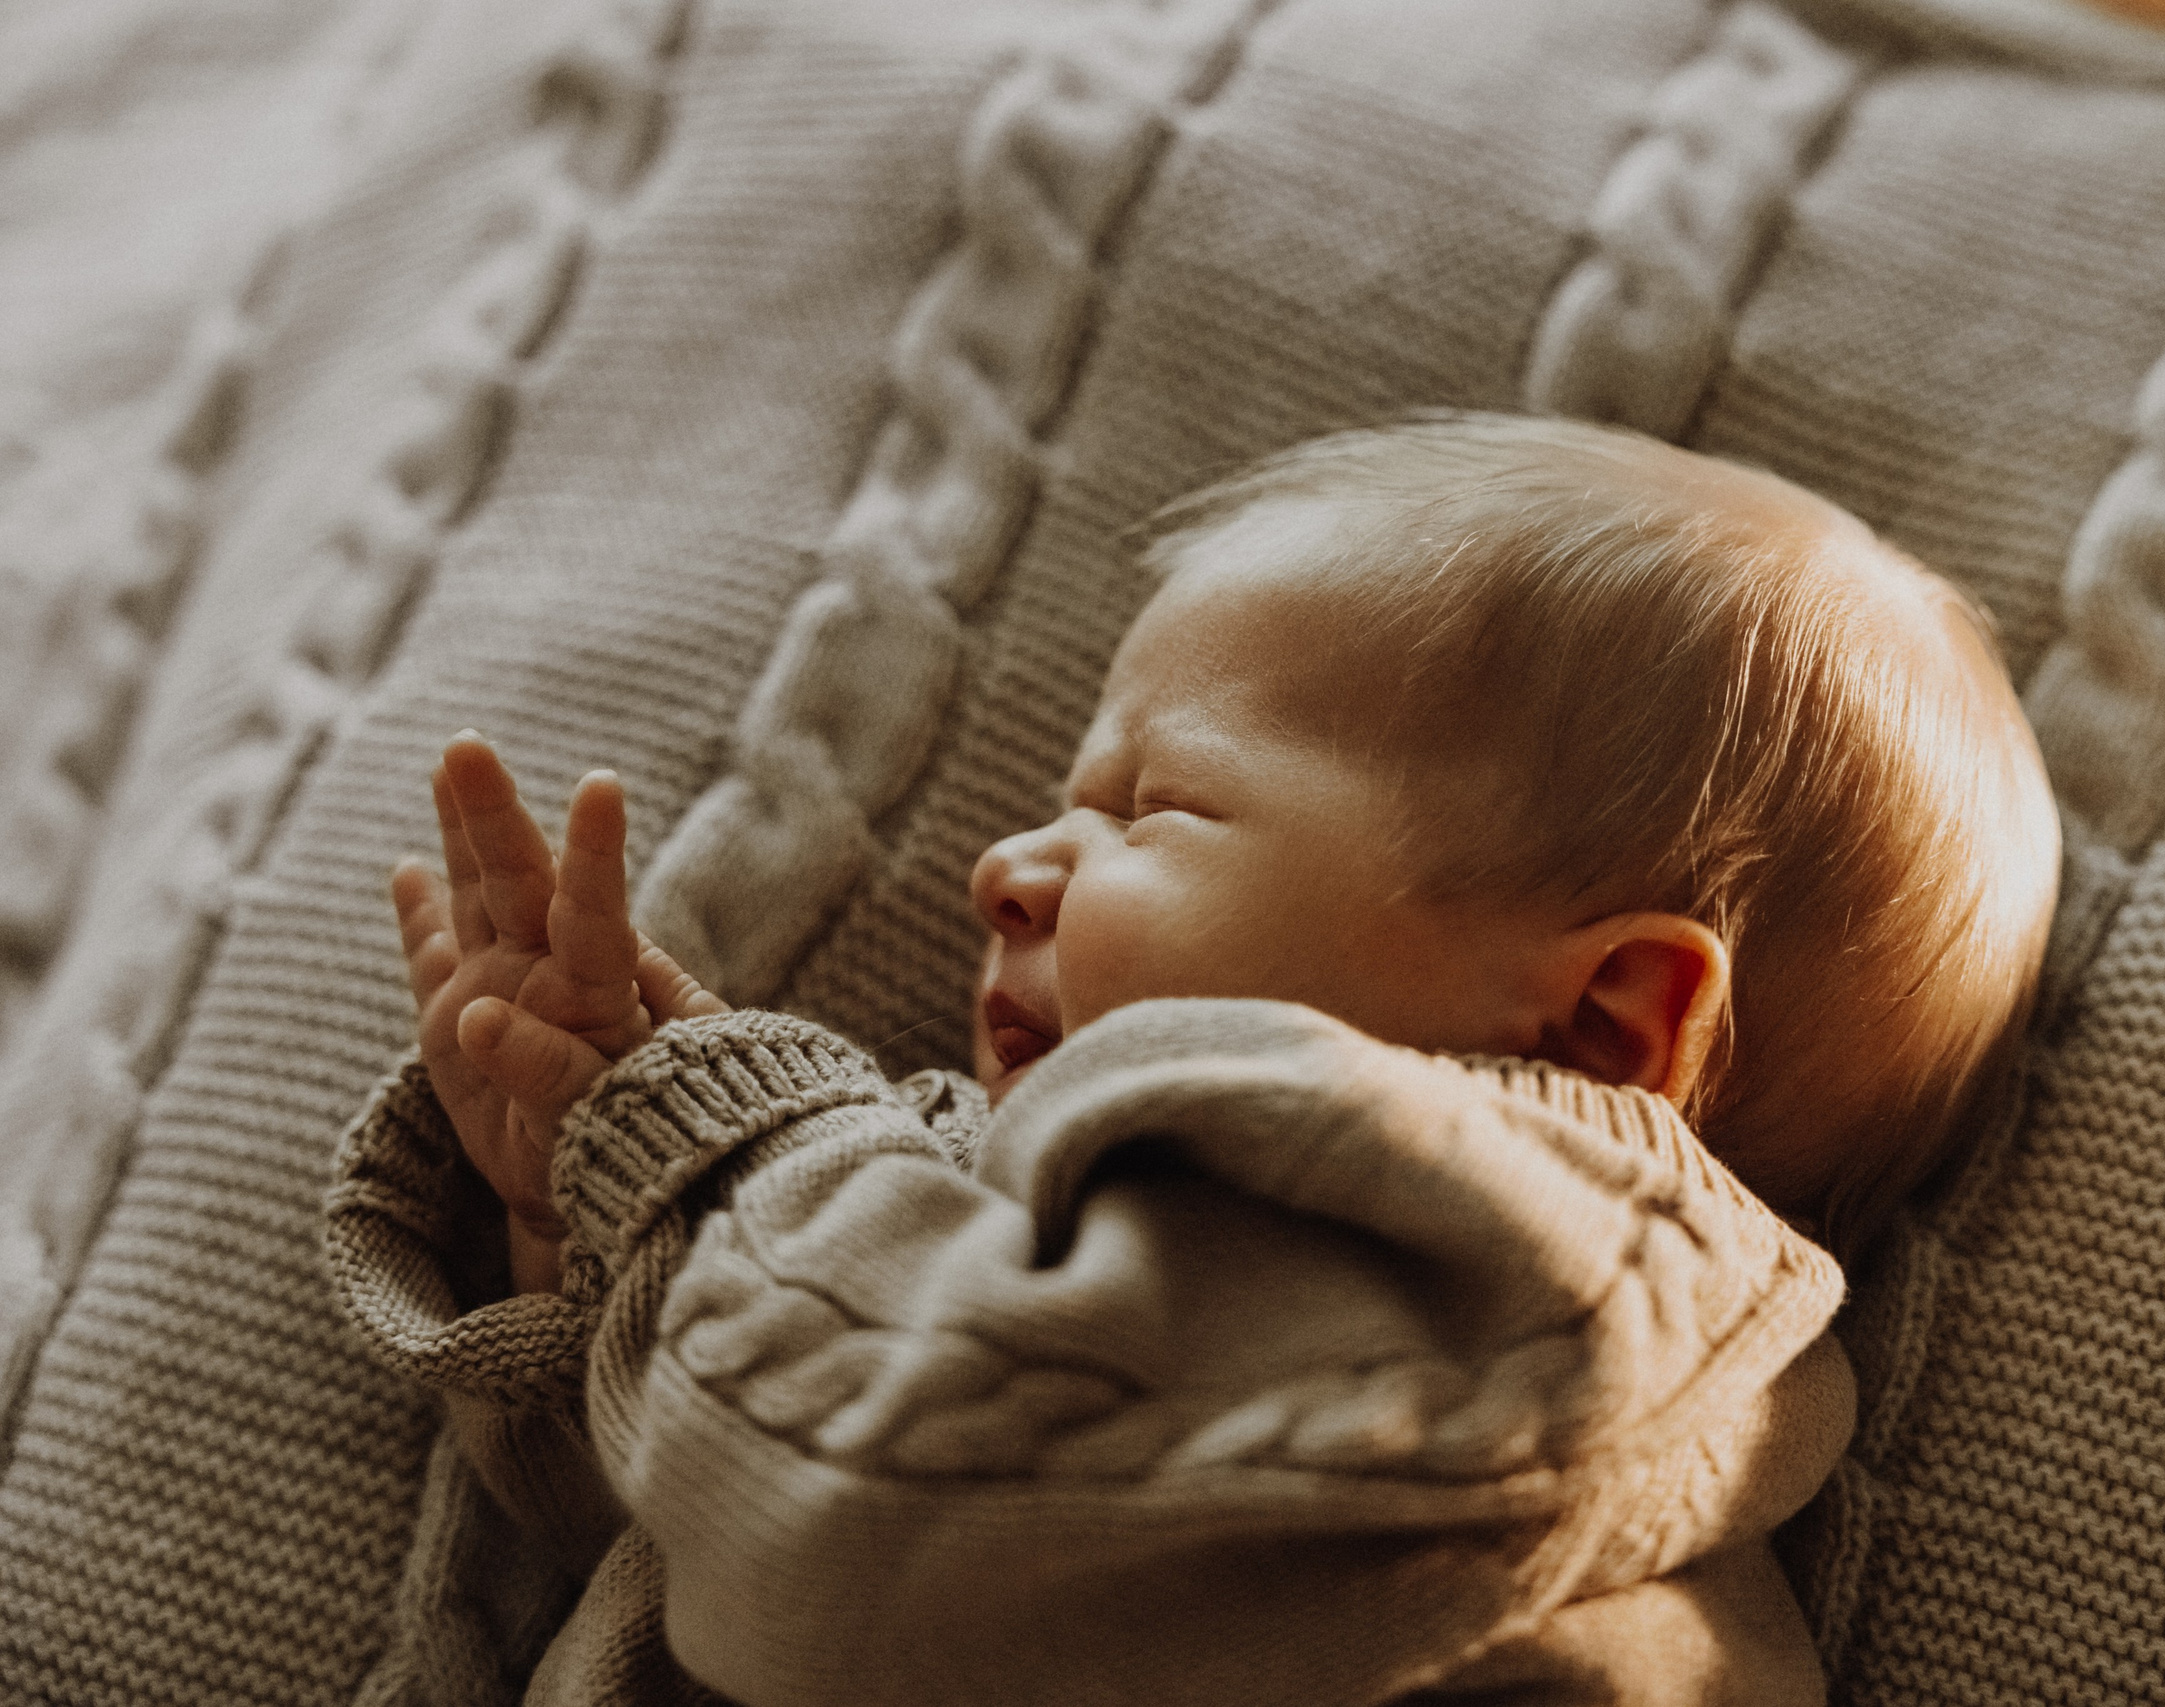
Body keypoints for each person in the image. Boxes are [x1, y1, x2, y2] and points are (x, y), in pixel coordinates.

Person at [327, 412, 2061, 1706]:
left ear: (1604, 1026)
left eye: (1154, 803)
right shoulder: (1014, 1220)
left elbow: (866, 1528)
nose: (1007, 866)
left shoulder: (1527, 1267)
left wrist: (713, 1154)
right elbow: (704, 1528)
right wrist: (577, 1210)